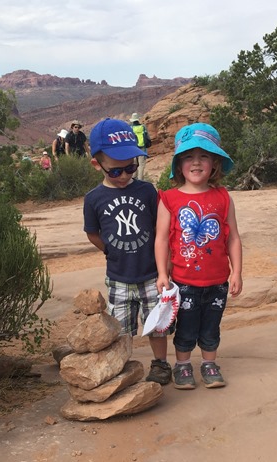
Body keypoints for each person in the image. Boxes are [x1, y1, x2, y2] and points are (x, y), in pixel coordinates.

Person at [83, 117, 173, 385]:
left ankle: (160, 364)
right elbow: (92, 232)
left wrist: (165, 266)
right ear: (96, 164)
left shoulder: (147, 191)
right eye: (115, 171)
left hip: (150, 273)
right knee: (121, 328)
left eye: (130, 168)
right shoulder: (94, 198)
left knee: (157, 323)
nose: (124, 176)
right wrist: (109, 250)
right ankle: (122, 365)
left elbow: (161, 229)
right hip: (119, 275)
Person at [154, 122, 243, 390]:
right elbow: (161, 238)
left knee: (211, 325)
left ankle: (208, 363)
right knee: (186, 327)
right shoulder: (169, 198)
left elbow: (234, 237)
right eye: (189, 157)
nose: (196, 162)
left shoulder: (223, 197)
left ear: (214, 163)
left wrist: (237, 271)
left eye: (204, 155)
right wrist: (161, 273)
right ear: (179, 164)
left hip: (218, 280)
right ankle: (182, 366)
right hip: (183, 281)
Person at [129, 113, 149, 180]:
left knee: (134, 163)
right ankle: (140, 179)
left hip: (134, 148)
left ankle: (133, 178)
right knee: (141, 164)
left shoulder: (130, 128)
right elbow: (147, 136)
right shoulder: (143, 127)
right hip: (142, 147)